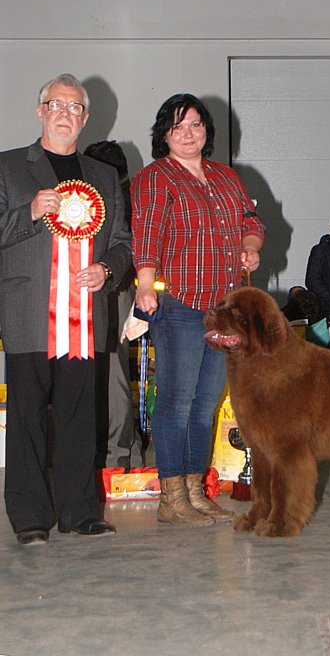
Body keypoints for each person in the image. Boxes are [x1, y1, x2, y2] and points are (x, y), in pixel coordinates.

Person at [0, 73, 132, 545]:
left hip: (82, 317)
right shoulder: (8, 167)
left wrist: (107, 272)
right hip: (27, 314)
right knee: (28, 418)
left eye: (75, 107)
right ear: (40, 112)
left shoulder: (102, 176)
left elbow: (121, 243)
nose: (65, 113)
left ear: (86, 118)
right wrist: (29, 212)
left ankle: (80, 512)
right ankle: (30, 517)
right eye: (56, 104)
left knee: (82, 417)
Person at [131, 92, 265, 527]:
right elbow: (147, 231)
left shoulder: (225, 176)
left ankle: (194, 491)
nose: (187, 134)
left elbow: (250, 219)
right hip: (181, 305)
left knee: (206, 402)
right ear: (164, 135)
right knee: (177, 401)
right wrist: (146, 284)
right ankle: (171, 499)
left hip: (223, 308)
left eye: (195, 125)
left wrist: (250, 245)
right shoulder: (156, 177)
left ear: (206, 130)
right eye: (177, 127)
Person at [83, 140, 143, 470]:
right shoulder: (126, 195)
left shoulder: (120, 199)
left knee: (111, 374)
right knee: (109, 374)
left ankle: (119, 456)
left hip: (114, 290)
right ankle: (118, 452)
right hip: (105, 288)